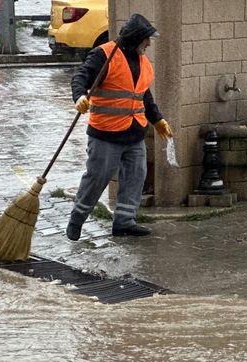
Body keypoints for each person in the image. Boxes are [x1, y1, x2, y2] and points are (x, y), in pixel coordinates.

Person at [66, 13, 172, 241]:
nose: (149, 44)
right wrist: (79, 97)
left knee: (136, 176)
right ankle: (77, 218)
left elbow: (144, 95)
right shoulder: (104, 55)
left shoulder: (142, 62)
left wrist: (157, 119)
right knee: (97, 177)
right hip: (106, 133)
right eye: (147, 39)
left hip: (134, 133)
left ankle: (124, 222)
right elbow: (80, 77)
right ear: (136, 38)